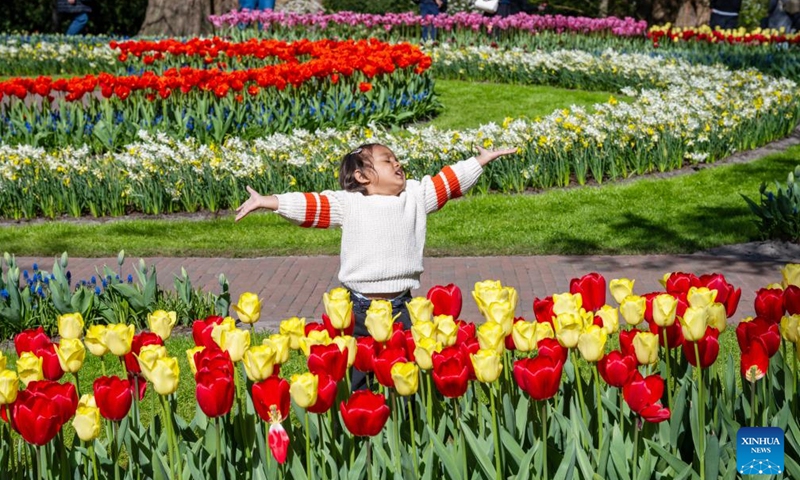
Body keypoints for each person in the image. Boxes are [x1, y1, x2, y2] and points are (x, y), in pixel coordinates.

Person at [235, 144, 516, 388]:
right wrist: (269, 202)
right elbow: (312, 206)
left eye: (396, 158)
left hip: (403, 309)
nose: (397, 163)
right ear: (362, 176)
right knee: (360, 376)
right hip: (357, 311)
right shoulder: (350, 204)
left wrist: (478, 162)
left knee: (406, 375)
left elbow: (448, 182)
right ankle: (364, 424)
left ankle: (403, 425)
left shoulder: (415, 196)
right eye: (387, 160)